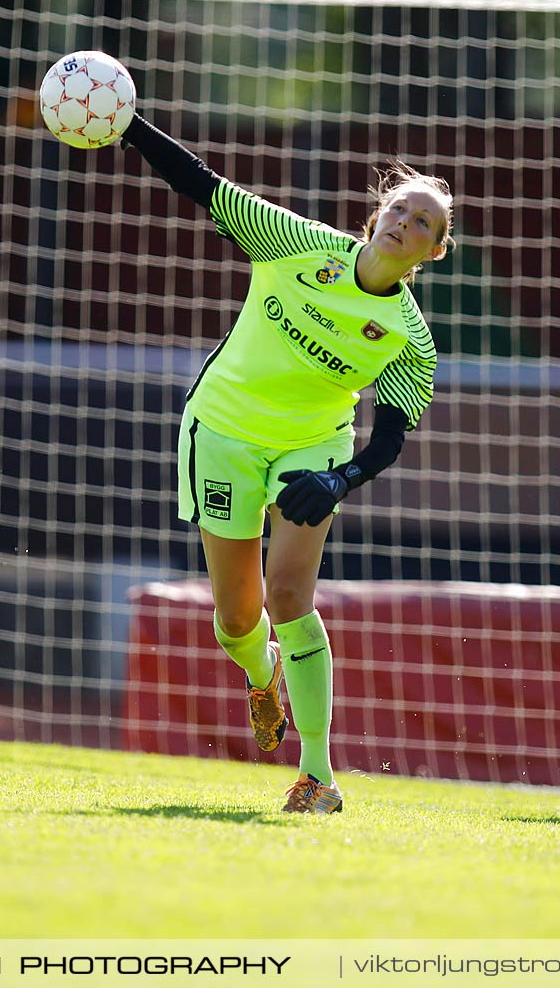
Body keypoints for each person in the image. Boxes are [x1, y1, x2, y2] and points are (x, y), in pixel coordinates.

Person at [118, 109, 454, 814]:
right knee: (238, 619)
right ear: (375, 216)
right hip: (223, 431)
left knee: (291, 597)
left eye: (424, 223)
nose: (406, 223)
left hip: (312, 447)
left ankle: (317, 774)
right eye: (399, 207)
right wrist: (129, 122)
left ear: (433, 253)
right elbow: (204, 186)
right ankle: (260, 671)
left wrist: (341, 477)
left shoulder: (409, 341)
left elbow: (388, 440)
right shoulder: (296, 243)